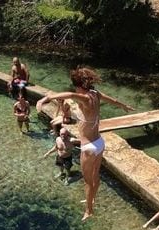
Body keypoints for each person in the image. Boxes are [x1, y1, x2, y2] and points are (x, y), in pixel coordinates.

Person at [36, 66, 134, 221]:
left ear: (79, 85)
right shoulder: (95, 94)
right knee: (95, 176)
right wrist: (123, 106)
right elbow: (112, 100)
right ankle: (92, 199)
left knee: (88, 181)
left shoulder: (85, 98)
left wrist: (44, 99)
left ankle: (88, 210)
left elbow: (68, 94)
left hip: (88, 147)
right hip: (99, 143)